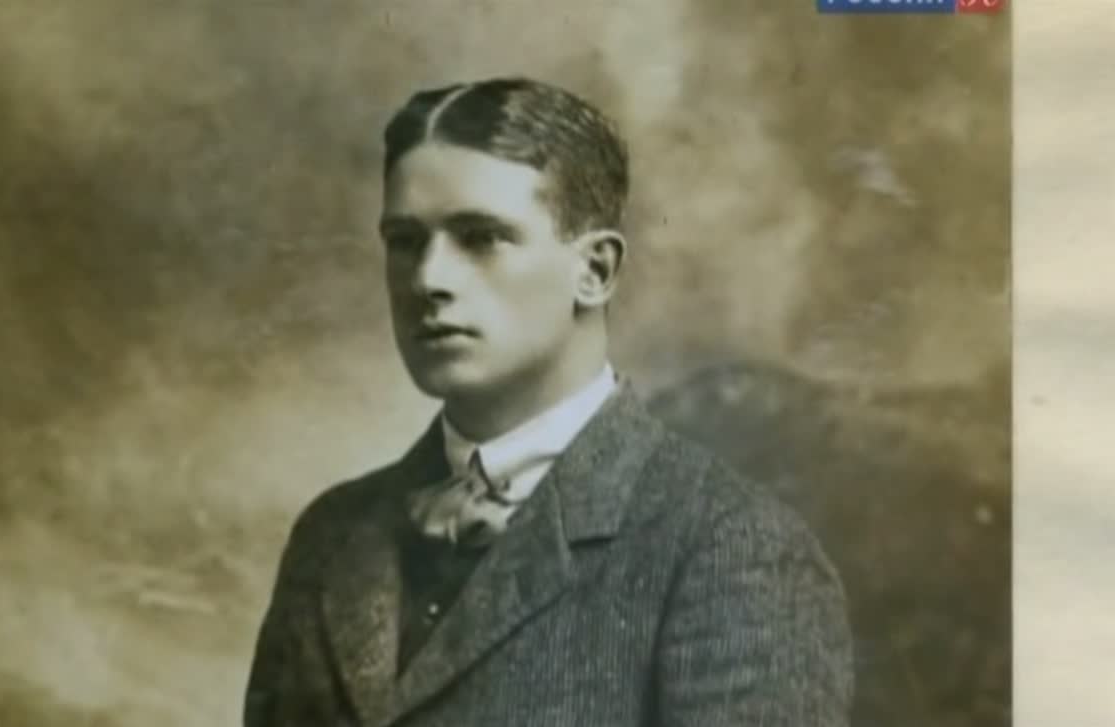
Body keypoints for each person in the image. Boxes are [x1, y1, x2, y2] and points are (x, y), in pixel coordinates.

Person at [243, 76, 854, 727]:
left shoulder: (728, 547)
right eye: (405, 241)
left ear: (594, 271)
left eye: (481, 237)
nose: (428, 279)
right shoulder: (331, 535)